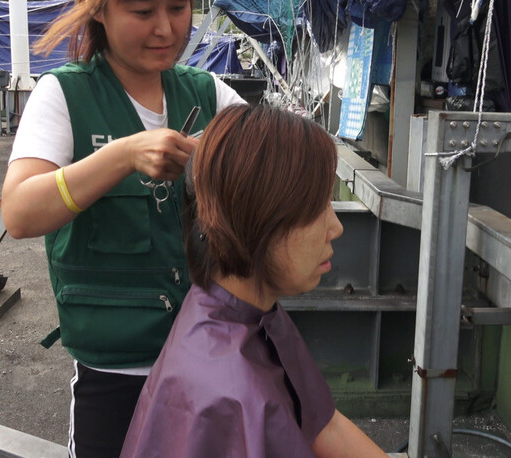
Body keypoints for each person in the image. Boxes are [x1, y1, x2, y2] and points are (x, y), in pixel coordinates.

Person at [0, 0, 244, 456]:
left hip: (208, 358)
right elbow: (19, 213)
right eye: (143, 11)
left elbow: (273, 160)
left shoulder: (209, 92)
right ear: (98, 8)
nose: (166, 28)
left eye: (178, 8)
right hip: (113, 374)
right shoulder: (61, 95)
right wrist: (121, 154)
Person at [121, 104, 386, 458]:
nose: (336, 228)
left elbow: (325, 423)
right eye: (317, 207)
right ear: (257, 217)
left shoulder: (246, 309)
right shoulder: (232, 396)